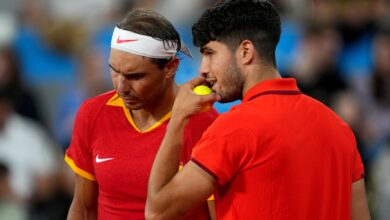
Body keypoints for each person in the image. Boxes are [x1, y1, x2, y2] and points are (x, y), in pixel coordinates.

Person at [146, 0, 371, 219]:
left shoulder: (232, 129)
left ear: (246, 51)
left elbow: (157, 211)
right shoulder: (339, 128)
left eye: (210, 53)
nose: (203, 69)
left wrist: (177, 118)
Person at [64, 8, 218, 219]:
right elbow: (82, 208)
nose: (120, 87)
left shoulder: (208, 126)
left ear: (170, 68)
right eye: (114, 71)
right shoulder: (93, 113)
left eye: (134, 76)